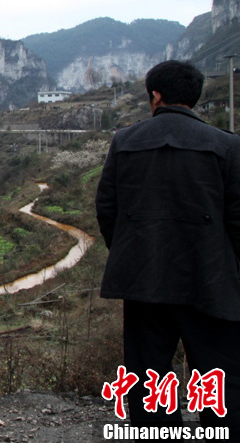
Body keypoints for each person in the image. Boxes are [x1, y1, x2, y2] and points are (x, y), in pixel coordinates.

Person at [96, 60, 240, 427]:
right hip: (210, 280)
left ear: (155, 96)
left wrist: (133, 251)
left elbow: (107, 210)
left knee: (148, 380)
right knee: (218, 377)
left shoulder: (125, 142)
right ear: (195, 96)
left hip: (145, 281)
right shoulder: (227, 146)